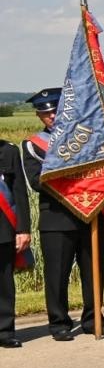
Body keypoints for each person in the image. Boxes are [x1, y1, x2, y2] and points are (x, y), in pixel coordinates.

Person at [21, 88, 100, 341]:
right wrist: (71, 173)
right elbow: (37, 181)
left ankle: (93, 319)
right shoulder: (32, 145)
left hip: (88, 213)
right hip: (56, 218)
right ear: (39, 116)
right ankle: (59, 323)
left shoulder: (85, 138)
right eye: (46, 113)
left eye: (56, 111)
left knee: (93, 271)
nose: (52, 116)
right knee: (57, 274)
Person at [0, 134, 30, 348]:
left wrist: (23, 229)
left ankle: (4, 331)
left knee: (4, 285)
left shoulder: (9, 151)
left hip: (3, 229)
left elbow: (19, 192)